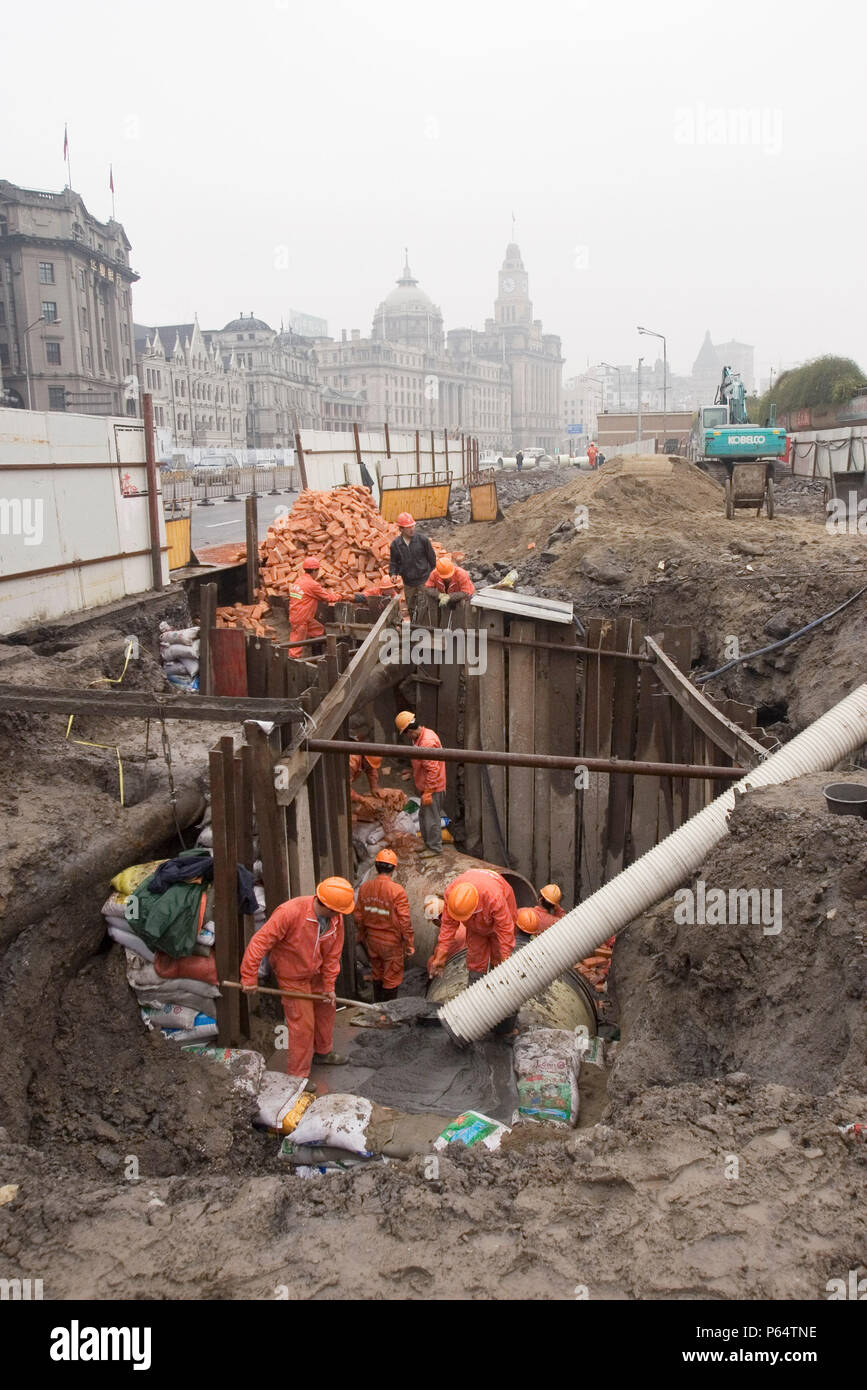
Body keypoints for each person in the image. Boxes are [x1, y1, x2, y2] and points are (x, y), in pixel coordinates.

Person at [239, 877, 356, 1079]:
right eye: (338, 911)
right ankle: (298, 1077)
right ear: (327, 905)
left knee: (327, 1009)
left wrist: (329, 985)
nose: (340, 914)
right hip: (293, 976)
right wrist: (249, 976)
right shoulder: (290, 912)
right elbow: (260, 943)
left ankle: (323, 1052)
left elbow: (333, 955)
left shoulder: (336, 920)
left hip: (317, 972)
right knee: (302, 1027)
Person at [428, 869, 517, 985]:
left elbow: (505, 930)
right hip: (476, 925)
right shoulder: (451, 895)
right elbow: (448, 926)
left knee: (499, 953)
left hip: (500, 913)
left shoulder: (494, 898)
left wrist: (505, 959)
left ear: (474, 910)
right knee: (475, 955)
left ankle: (498, 984)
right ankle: (475, 985)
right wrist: (441, 955)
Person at [354, 849, 413, 1001]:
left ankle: (377, 1008)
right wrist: (409, 943)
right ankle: (387, 1013)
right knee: (392, 977)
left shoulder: (365, 888)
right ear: (394, 868)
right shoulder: (397, 891)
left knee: (377, 973)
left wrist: (361, 934)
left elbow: (358, 916)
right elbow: (404, 921)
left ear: (376, 866)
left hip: (372, 940)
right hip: (391, 943)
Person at [394, 710, 446, 854]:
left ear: (410, 731)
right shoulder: (419, 738)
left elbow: (433, 770)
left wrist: (429, 792)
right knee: (424, 817)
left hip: (433, 788)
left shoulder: (427, 742)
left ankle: (435, 849)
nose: (407, 737)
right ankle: (428, 844)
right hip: (427, 786)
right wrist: (414, 771)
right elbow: (425, 763)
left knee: (431, 819)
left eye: (406, 734)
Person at [388, 512, 436, 621]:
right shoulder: (396, 544)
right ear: (401, 529)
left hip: (424, 580)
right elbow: (393, 562)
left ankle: (425, 628)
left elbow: (432, 559)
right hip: (408, 582)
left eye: (412, 526)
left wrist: (431, 576)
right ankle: (414, 628)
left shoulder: (422, 540)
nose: (411, 529)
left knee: (425, 606)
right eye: (408, 527)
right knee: (411, 607)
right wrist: (393, 573)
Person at [288, 556, 339, 658]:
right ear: (315, 570)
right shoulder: (312, 584)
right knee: (295, 648)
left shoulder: (299, 580)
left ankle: (317, 658)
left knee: (318, 631)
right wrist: (340, 595)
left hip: (300, 616)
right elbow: (327, 598)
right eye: (318, 571)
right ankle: (292, 668)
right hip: (301, 620)